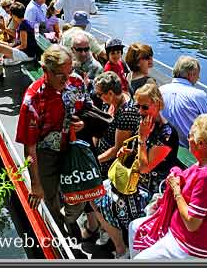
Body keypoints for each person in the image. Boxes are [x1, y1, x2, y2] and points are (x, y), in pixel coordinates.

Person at [91, 82, 180, 259]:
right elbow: (139, 156)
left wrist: (142, 138)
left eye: (145, 107)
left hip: (151, 188)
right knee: (94, 194)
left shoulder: (167, 134)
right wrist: (129, 152)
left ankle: (122, 246)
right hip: (135, 180)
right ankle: (119, 244)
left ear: (159, 104)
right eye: (138, 106)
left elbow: (145, 167)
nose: (140, 111)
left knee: (108, 200)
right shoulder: (146, 123)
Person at [130, 114, 207, 260]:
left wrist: (176, 191)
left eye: (190, 135)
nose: (187, 139)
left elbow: (192, 223)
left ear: (201, 144)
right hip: (189, 233)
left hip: (193, 245)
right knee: (134, 227)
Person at [15, 44, 90, 235]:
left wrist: (82, 123)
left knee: (80, 195)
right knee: (50, 198)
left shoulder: (76, 82)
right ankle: (59, 233)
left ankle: (69, 218)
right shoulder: (32, 101)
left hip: (72, 148)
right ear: (45, 70)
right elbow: (29, 147)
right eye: (60, 75)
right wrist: (35, 183)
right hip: (46, 155)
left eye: (70, 72)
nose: (67, 80)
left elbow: (84, 110)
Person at [93, 71, 140, 178]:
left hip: (110, 166)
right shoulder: (109, 103)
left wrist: (95, 160)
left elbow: (117, 148)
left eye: (99, 94)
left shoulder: (126, 113)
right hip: (100, 155)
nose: (98, 97)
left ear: (110, 93)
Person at [160, 56, 207, 148]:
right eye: (197, 75)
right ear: (191, 75)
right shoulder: (199, 96)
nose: (198, 78)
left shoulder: (160, 90)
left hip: (163, 144)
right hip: (189, 149)